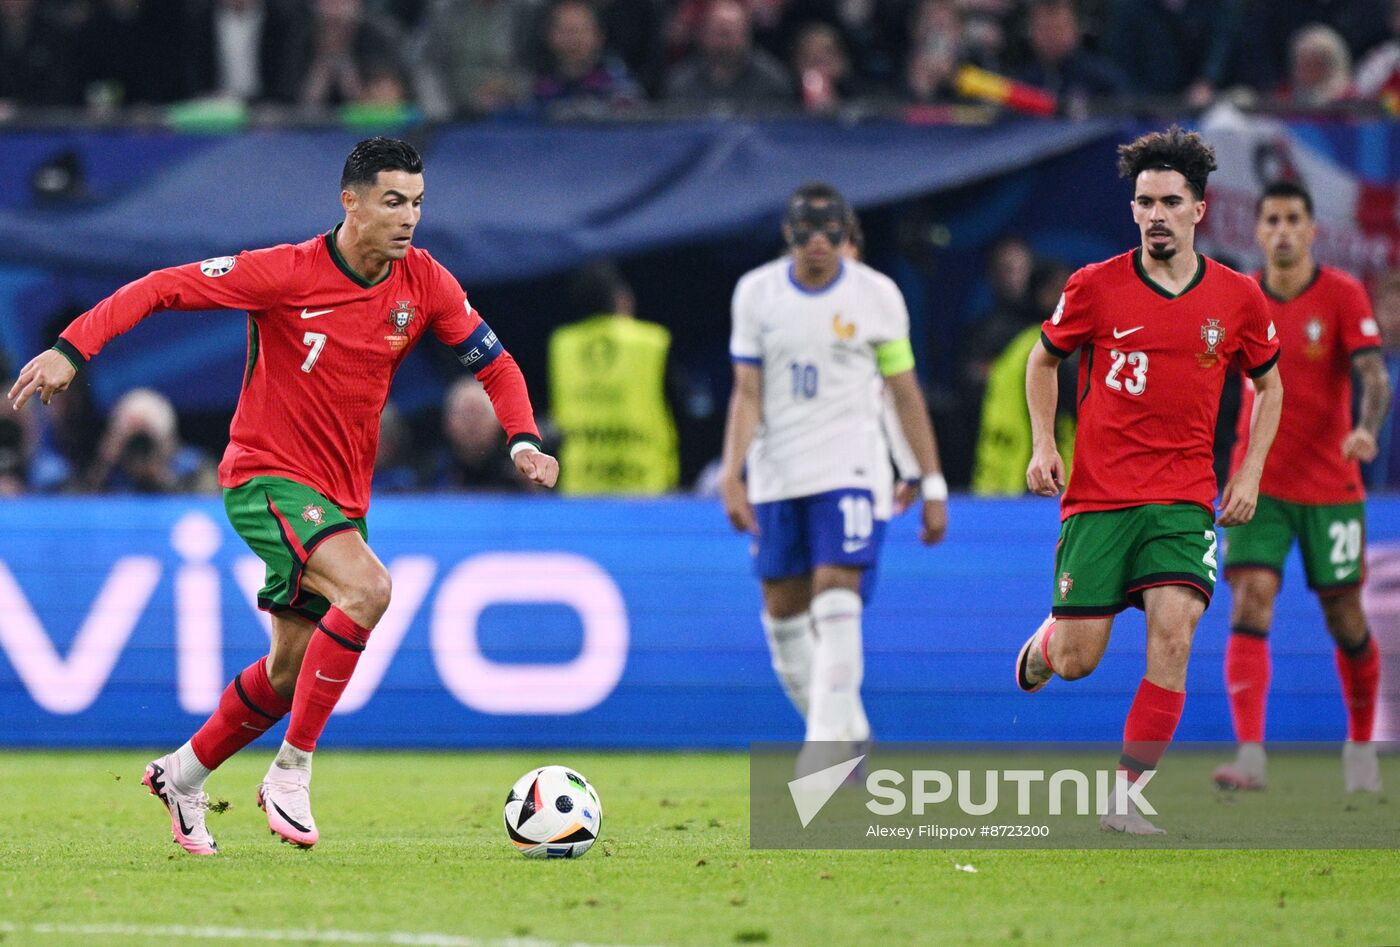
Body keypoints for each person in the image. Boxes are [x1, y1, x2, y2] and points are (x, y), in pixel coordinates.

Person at [6, 137, 558, 855]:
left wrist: (520, 436)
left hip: (341, 497)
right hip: (265, 476)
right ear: (350, 201)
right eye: (393, 201)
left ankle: (183, 773)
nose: (409, 219)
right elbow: (159, 287)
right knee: (370, 589)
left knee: (288, 669)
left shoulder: (425, 282)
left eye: (418, 203)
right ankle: (292, 771)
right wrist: (71, 348)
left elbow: (496, 363)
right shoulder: (284, 273)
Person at [1015, 127, 1283, 834]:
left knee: (1175, 632)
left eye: (1170, 200)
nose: (1155, 214)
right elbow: (1043, 362)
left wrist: (1249, 471)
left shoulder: (1238, 297)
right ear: (1132, 209)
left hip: (1185, 498)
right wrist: (1045, 443)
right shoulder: (1094, 286)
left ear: (1199, 208)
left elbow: (1271, 384)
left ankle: (1124, 801)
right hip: (1100, 497)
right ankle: (1046, 644)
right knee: (1079, 659)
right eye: (1144, 201)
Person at [719, 182, 948, 767]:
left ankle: (819, 756)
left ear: (848, 234)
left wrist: (928, 479)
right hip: (777, 472)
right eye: (807, 230)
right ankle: (847, 733)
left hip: (851, 468)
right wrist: (732, 472)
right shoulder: (757, 294)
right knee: (784, 615)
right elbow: (748, 392)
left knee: (835, 593)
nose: (819, 242)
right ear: (788, 234)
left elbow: (902, 395)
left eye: (831, 230)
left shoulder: (877, 297)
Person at [1213, 181, 1390, 794]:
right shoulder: (1241, 297)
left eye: (1294, 219)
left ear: (1312, 230)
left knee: (1344, 616)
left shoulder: (1342, 293)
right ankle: (1251, 755)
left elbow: (1374, 375)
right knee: (1250, 596)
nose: (1283, 230)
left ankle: (1361, 750)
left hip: (1331, 486)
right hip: (1257, 482)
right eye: (1272, 220)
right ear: (1257, 232)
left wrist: (1365, 432)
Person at [548, 261, 678, 495]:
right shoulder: (652, 342)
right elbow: (681, 406)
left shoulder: (562, 344)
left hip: (580, 483)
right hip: (644, 483)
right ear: (620, 298)